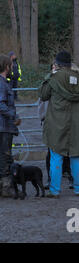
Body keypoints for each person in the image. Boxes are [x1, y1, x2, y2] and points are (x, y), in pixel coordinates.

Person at [39, 50, 79, 198]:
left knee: (56, 156)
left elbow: (43, 94)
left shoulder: (54, 77)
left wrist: (50, 74)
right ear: (70, 63)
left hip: (56, 123)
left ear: (57, 64)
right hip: (77, 123)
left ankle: (54, 190)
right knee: (76, 156)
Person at [0, 55, 21, 197]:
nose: (13, 66)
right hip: (4, 126)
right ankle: (6, 187)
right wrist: (14, 116)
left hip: (4, 126)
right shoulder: (1, 84)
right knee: (5, 156)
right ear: (7, 66)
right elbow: (1, 104)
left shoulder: (4, 82)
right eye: (11, 64)